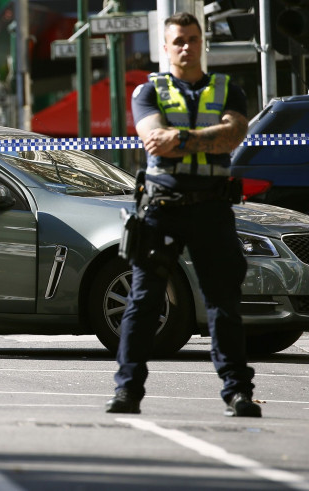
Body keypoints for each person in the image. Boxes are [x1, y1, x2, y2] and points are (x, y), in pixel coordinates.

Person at [106, 12, 261, 417]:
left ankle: (237, 392)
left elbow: (234, 134)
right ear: (166, 46)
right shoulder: (148, 91)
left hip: (212, 208)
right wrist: (207, 139)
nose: (186, 47)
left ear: (202, 41)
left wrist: (183, 138)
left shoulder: (229, 89)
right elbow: (156, 143)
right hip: (162, 210)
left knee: (224, 303)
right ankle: (127, 392)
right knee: (143, 300)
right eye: (179, 41)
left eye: (193, 39)